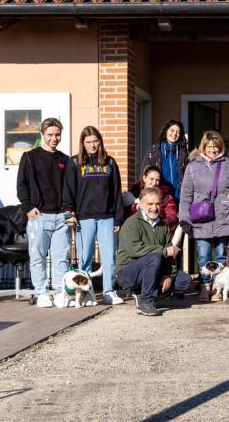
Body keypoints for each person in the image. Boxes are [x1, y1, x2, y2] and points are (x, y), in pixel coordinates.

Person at [62, 126, 125, 305]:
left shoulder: (110, 162)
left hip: (107, 217)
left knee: (109, 257)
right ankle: (85, 294)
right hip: (84, 217)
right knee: (85, 257)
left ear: (100, 141)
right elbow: (68, 191)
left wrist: (118, 217)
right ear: (83, 143)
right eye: (88, 142)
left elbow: (116, 191)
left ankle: (108, 291)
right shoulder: (75, 162)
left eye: (95, 141)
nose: (92, 145)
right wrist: (68, 213)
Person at [180, 130, 229, 301]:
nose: (213, 150)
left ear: (221, 147)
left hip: (224, 215)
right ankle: (205, 286)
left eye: (216, 146)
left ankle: (218, 287)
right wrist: (184, 218)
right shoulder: (193, 166)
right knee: (203, 254)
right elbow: (186, 194)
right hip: (201, 217)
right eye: (209, 146)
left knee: (221, 254)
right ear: (203, 147)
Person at [16, 117, 71, 308]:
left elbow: (69, 188)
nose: (54, 138)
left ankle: (60, 292)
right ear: (42, 135)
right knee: (38, 258)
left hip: (61, 217)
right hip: (38, 217)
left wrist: (68, 212)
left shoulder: (65, 160)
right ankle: (41, 293)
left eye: (57, 135)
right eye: (50, 135)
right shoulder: (29, 157)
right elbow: (21, 185)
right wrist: (27, 207)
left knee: (61, 258)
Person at [115, 187, 189, 316]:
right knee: (155, 256)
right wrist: (163, 251)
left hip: (154, 268)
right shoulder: (131, 223)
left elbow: (170, 254)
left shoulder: (162, 225)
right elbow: (135, 250)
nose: (154, 208)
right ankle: (145, 301)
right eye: (150, 204)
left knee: (184, 280)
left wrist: (167, 275)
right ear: (141, 204)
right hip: (128, 273)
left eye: (157, 204)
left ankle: (142, 292)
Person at [140, 119, 189, 198]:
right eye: (172, 130)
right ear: (166, 131)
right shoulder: (153, 153)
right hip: (160, 198)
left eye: (178, 132)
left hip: (181, 198)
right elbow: (144, 176)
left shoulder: (184, 155)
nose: (175, 134)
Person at [124, 165, 179, 230]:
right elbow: (125, 215)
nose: (154, 183)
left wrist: (158, 224)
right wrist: (135, 207)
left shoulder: (166, 197)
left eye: (157, 180)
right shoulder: (133, 195)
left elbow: (172, 217)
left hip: (158, 231)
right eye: (151, 179)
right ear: (144, 178)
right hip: (136, 230)